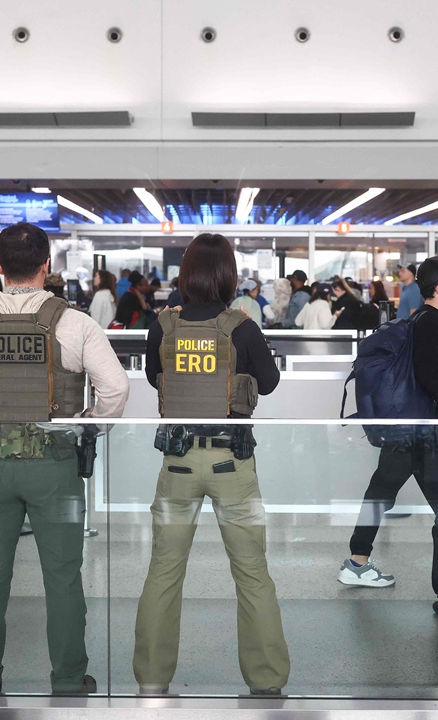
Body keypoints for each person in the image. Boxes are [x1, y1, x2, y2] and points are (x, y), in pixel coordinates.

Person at [0, 222, 130, 695]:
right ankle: (70, 678)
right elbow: (115, 389)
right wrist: (88, 426)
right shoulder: (75, 324)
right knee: (63, 575)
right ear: (46, 267)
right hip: (55, 467)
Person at [134, 233, 289, 696]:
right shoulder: (242, 326)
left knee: (163, 570)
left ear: (185, 275)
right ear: (229, 275)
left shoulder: (163, 325)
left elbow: (151, 376)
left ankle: (152, 682)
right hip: (232, 465)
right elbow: (270, 382)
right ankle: (266, 682)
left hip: (177, 464)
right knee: (252, 572)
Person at [340, 256, 438, 588]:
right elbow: (432, 379)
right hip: (419, 431)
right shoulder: (428, 323)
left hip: (409, 428)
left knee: (387, 493)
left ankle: (358, 561)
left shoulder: (424, 319)